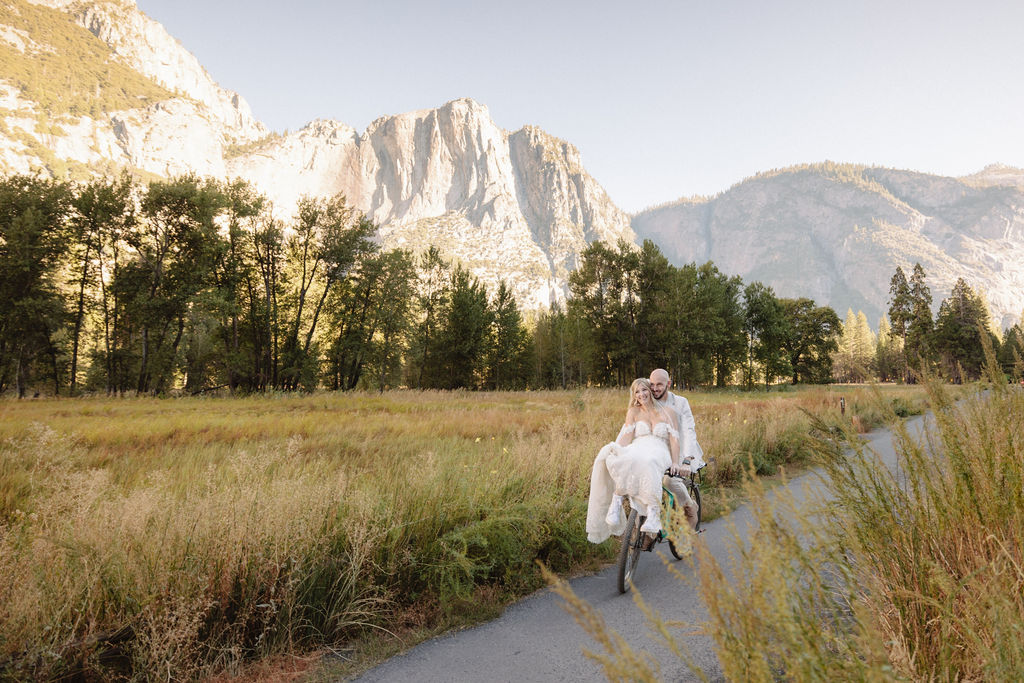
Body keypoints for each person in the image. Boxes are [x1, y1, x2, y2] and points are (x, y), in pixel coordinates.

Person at [586, 378, 686, 543]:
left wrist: (676, 462)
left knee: (649, 461)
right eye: (637, 392)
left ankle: (653, 512)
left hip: (660, 450)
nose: (641, 395)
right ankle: (616, 500)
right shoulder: (634, 412)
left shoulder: (669, 412)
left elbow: (675, 440)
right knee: (627, 457)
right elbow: (627, 436)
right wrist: (617, 449)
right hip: (639, 446)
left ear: (650, 390)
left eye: (644, 390)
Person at [650, 368, 704, 527]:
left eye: (659, 384)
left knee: (669, 481)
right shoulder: (648, 401)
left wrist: (687, 460)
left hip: (680, 453)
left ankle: (690, 507)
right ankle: (644, 531)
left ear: (668, 384)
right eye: (652, 384)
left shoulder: (681, 402)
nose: (655, 388)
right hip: (656, 453)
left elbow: (688, 431)